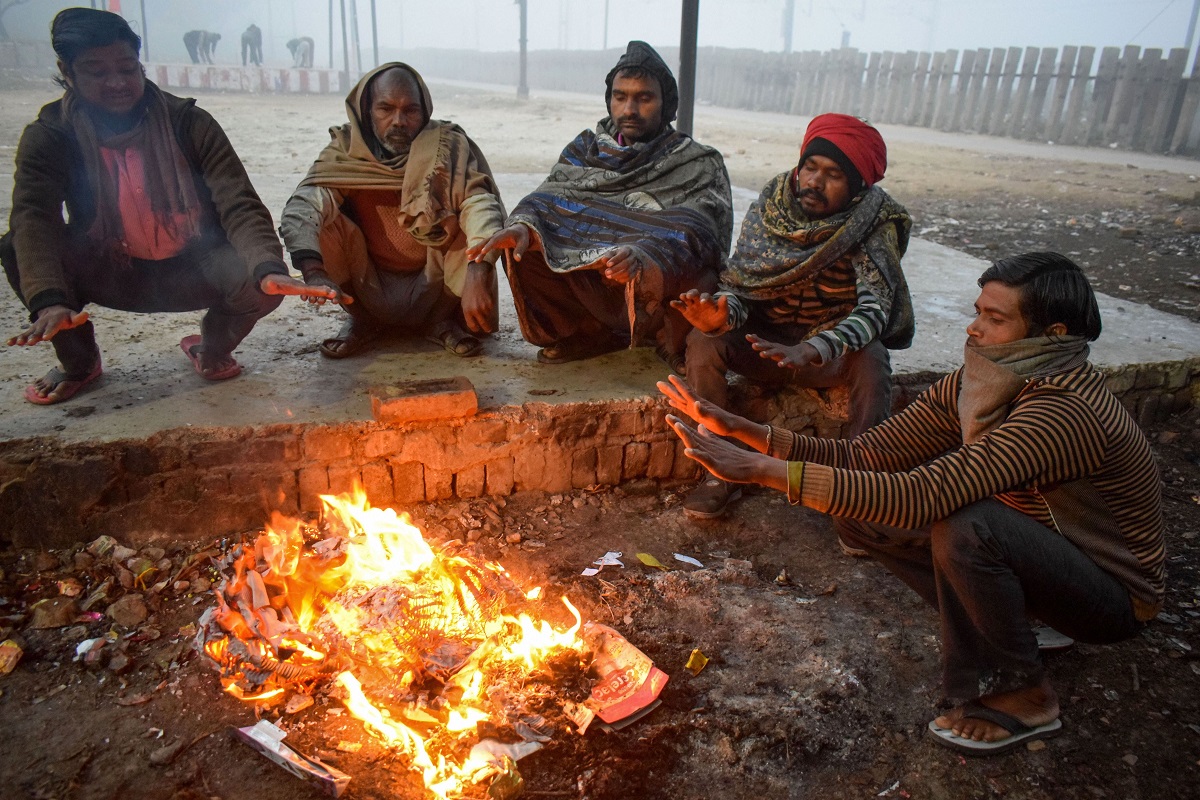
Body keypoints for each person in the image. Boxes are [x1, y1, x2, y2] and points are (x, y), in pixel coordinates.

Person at [661, 252, 1164, 757]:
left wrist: (762, 473)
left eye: (995, 319)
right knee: (858, 512)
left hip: (1111, 598)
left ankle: (1028, 694)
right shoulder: (985, 379)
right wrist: (753, 436)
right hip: (1045, 554)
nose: (972, 329)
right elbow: (871, 454)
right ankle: (1015, 623)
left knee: (969, 526)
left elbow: (924, 497)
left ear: (1052, 335)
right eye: (977, 311)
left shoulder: (1062, 411)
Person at [2, 8, 335, 404]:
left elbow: (239, 204)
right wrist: (49, 299)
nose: (117, 83)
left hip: (193, 262)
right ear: (67, 71)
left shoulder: (189, 123)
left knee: (258, 276)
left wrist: (267, 267)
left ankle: (211, 347)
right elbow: (34, 219)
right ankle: (79, 362)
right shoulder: (51, 136)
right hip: (108, 265)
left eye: (127, 68)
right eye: (97, 72)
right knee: (15, 248)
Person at [671, 113, 913, 519]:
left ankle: (859, 486)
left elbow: (876, 310)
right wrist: (723, 315)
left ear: (858, 185)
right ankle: (719, 470)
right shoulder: (773, 206)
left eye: (833, 174)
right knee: (703, 342)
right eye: (810, 167)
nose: (815, 181)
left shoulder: (873, 221)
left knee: (872, 359)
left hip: (827, 350)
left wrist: (814, 347)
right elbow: (745, 284)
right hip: (762, 344)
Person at [467, 40, 732, 369]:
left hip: (655, 298)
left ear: (666, 103)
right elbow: (547, 199)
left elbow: (700, 231)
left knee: (700, 271)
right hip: (595, 289)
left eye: (644, 98)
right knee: (524, 242)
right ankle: (588, 332)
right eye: (620, 97)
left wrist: (643, 254)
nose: (629, 110)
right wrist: (524, 226)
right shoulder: (585, 149)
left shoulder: (696, 162)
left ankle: (671, 342)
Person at [278, 63, 504, 358]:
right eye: (385, 109)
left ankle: (440, 322)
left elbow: (481, 204)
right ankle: (362, 321)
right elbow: (303, 206)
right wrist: (314, 271)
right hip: (366, 284)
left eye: (410, 110)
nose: (398, 121)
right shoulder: (345, 151)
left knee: (472, 220)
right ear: (366, 110)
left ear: (425, 112)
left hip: (436, 285)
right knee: (322, 223)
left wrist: (478, 268)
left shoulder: (446, 147)